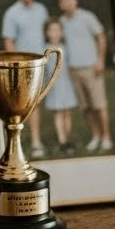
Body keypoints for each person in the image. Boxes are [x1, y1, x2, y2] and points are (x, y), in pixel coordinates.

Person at [57, 0, 113, 152]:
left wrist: (100, 60)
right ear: (61, 5)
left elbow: (101, 37)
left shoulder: (88, 17)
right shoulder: (62, 22)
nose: (67, 3)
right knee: (86, 107)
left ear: (75, 0)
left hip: (92, 68)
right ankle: (96, 136)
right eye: (63, 1)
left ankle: (106, 138)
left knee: (99, 105)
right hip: (73, 70)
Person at [1, 0, 49, 158]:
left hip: (42, 64)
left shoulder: (42, 10)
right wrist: (15, 68)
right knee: (25, 106)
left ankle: (33, 141)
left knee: (36, 103)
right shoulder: (11, 13)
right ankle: (32, 143)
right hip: (23, 68)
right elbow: (9, 41)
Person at [42, 17, 78, 153]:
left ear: (62, 32)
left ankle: (67, 139)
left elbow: (70, 67)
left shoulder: (65, 48)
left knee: (67, 112)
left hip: (66, 84)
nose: (55, 33)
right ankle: (62, 141)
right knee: (58, 113)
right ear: (47, 33)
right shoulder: (46, 49)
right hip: (54, 86)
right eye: (51, 30)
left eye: (57, 30)